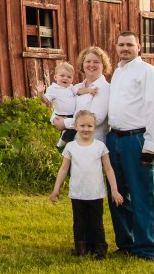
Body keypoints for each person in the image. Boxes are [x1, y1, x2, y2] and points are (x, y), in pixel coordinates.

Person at [106, 31, 154, 261]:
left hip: (136, 138)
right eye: (121, 44)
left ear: (139, 47)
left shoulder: (147, 72)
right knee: (118, 193)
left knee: (142, 194)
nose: (125, 48)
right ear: (116, 47)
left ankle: (146, 248)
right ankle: (126, 243)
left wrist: (150, 144)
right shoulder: (118, 72)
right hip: (114, 138)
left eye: (129, 44)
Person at [49, 110, 124, 259]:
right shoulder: (71, 147)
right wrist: (56, 188)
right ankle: (80, 250)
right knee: (79, 222)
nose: (86, 129)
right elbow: (63, 169)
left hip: (95, 193)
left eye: (90, 126)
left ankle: (100, 251)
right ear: (75, 126)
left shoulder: (100, 147)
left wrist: (114, 190)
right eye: (82, 125)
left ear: (95, 127)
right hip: (77, 193)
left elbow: (108, 169)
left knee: (97, 223)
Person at [52, 47, 112, 142]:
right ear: (82, 64)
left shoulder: (104, 88)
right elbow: (62, 105)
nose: (91, 65)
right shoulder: (77, 87)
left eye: (96, 62)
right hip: (72, 142)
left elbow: (96, 119)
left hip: (92, 143)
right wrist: (55, 119)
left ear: (103, 65)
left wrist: (65, 123)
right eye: (88, 61)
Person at [41, 61, 78, 149]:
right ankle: (60, 145)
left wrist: (88, 90)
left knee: (73, 130)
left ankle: (64, 146)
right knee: (71, 130)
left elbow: (79, 92)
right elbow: (45, 100)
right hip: (62, 115)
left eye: (69, 77)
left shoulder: (71, 88)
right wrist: (41, 93)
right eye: (62, 76)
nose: (65, 78)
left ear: (72, 79)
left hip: (72, 115)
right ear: (55, 77)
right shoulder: (53, 89)